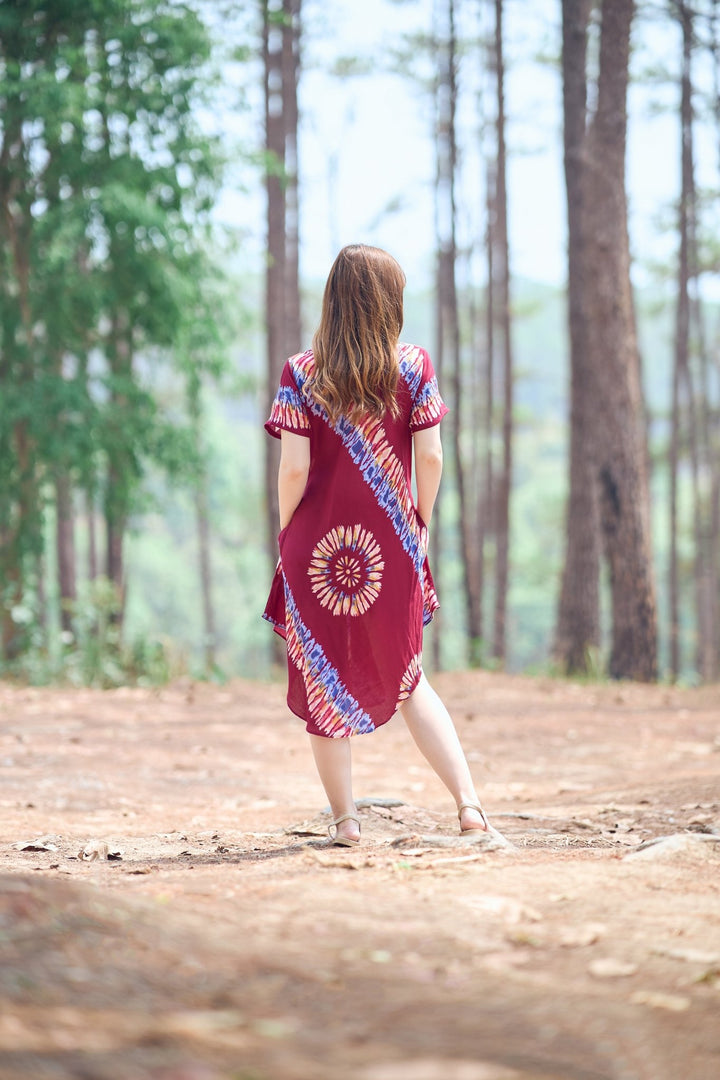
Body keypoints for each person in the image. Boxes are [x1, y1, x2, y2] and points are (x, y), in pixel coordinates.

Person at [263, 244, 488, 847]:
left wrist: (288, 534)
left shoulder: (302, 372)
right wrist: (420, 517)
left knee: (322, 681)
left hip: (318, 552)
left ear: (334, 300)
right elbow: (432, 455)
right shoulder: (413, 366)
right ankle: (469, 807)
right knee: (410, 675)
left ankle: (346, 822)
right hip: (393, 542)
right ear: (390, 303)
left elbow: (292, 472)